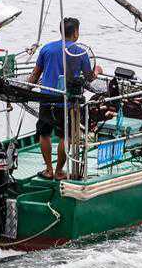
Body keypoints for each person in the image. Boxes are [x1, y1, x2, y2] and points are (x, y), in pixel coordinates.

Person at [27, 17, 102, 180]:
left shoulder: (46, 49)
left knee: (44, 133)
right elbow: (89, 78)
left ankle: (48, 170)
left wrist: (26, 87)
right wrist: (97, 70)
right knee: (65, 136)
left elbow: (35, 75)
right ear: (75, 32)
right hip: (66, 101)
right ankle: (59, 171)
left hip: (46, 97)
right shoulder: (80, 52)